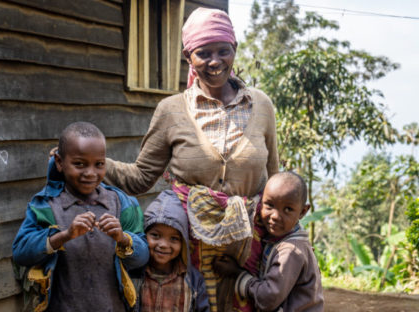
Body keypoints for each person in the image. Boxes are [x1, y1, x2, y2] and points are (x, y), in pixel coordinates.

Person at [101, 7, 279, 312]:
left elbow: (274, 179)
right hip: (191, 249)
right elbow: (141, 177)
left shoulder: (262, 105)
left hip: (248, 247)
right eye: (203, 53)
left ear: (234, 50)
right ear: (189, 58)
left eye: (223, 50)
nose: (214, 61)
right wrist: (93, 163)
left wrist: (290, 239)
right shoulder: (171, 110)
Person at [12, 122, 149, 312]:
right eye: (79, 164)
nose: (90, 173)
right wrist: (64, 236)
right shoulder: (46, 205)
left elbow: (142, 257)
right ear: (59, 162)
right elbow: (20, 252)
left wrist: (123, 238)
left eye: (99, 164)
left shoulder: (122, 203)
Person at [213, 172, 324, 312]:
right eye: (269, 205)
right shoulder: (279, 240)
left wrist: (237, 274)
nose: (276, 216)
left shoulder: (291, 250)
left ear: (302, 212)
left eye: (288, 209)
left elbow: (268, 299)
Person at [131, 190, 210, 312]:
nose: (163, 245)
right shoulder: (133, 274)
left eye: (174, 239)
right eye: (155, 235)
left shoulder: (193, 280)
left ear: (183, 242)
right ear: (144, 234)